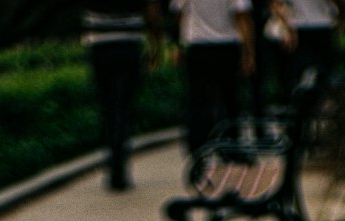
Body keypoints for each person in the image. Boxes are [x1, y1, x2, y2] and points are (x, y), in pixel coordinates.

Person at [81, 5, 162, 191]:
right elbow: (152, 10)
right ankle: (119, 164)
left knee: (107, 107)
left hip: (99, 44)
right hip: (128, 44)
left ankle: (112, 161)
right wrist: (155, 43)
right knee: (123, 108)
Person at [170, 0, 256, 157]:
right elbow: (242, 15)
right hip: (226, 44)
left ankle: (197, 146)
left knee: (198, 100)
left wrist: (179, 43)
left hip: (197, 44)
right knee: (229, 99)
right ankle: (231, 144)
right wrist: (248, 51)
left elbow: (178, 12)